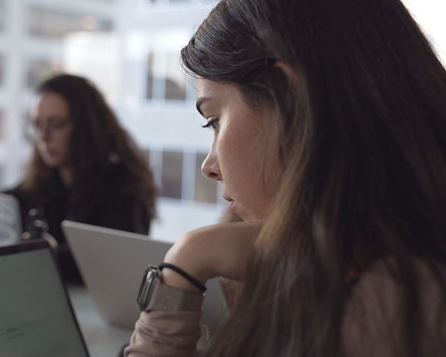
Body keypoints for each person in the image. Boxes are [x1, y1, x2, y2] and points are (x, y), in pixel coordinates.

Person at [125, 0, 446, 356]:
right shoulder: (365, 268)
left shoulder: (389, 312)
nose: (209, 166)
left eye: (214, 120)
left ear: (289, 98)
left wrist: (186, 262)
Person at [4, 74, 157, 284]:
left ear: (86, 127)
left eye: (56, 124)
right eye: (37, 125)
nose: (44, 137)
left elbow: (106, 263)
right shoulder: (45, 183)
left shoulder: (124, 188)